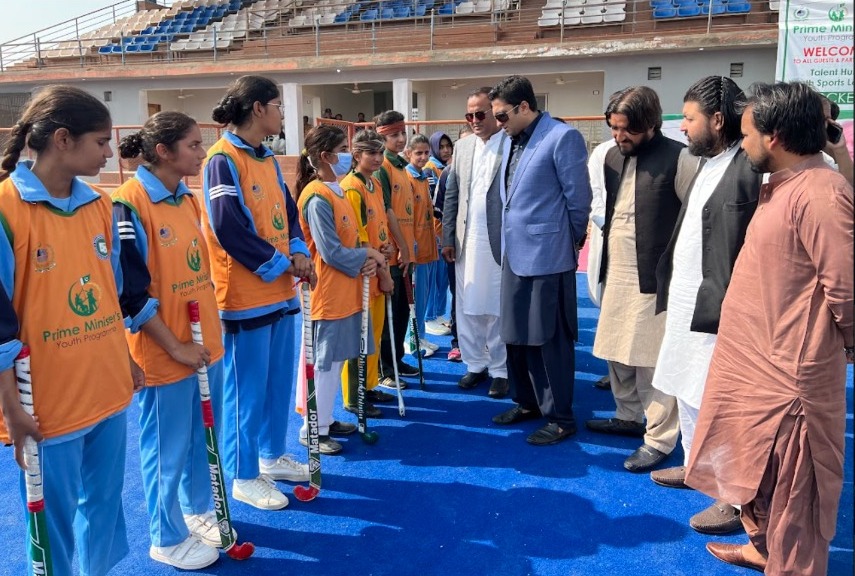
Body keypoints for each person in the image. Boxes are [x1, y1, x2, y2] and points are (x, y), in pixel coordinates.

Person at [686, 81, 853, 575]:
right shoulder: (782, 185)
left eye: (747, 134)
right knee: (756, 475)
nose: (744, 144)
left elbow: (846, 287)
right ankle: (763, 547)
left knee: (797, 493)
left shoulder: (823, 193)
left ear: (775, 135)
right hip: (753, 365)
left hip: (791, 380)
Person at [0, 85, 141, 576]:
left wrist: (124, 359)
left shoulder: (100, 205)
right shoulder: (5, 209)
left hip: (107, 387)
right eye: (101, 141)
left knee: (104, 507)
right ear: (63, 139)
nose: (109, 152)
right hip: (46, 404)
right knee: (51, 523)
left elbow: (110, 290)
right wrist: (11, 408)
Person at [113, 112, 228, 569]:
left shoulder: (187, 198)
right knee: (167, 448)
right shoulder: (129, 203)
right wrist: (175, 346)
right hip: (167, 353)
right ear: (163, 151)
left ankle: (199, 510)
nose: (203, 153)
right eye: (194, 145)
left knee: (203, 436)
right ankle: (164, 535)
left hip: (204, 343)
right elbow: (130, 294)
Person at [648, 77, 762, 536]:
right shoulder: (707, 163)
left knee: (722, 402)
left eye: (689, 118)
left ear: (717, 120)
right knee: (687, 387)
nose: (682, 127)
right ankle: (699, 469)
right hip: (688, 303)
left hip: (722, 307)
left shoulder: (750, 167)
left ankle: (732, 499)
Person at [201, 75, 312, 511]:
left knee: (276, 384)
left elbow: (288, 211)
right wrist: (284, 263)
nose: (283, 113)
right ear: (258, 109)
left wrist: (299, 250)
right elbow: (229, 227)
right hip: (245, 295)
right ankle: (244, 474)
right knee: (245, 393)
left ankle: (270, 454)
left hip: (281, 291)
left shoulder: (265, 157)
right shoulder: (221, 159)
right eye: (278, 105)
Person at [488, 75, 591, 445]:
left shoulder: (562, 137)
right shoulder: (509, 140)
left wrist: (567, 242)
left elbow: (578, 201)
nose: (497, 123)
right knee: (515, 337)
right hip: (514, 256)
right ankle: (526, 402)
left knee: (549, 340)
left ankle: (560, 417)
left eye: (501, 116)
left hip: (548, 257)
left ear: (525, 107)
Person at [586, 86, 684, 471]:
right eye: (613, 128)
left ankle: (659, 438)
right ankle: (627, 416)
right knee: (615, 349)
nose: (619, 137)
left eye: (627, 130)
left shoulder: (680, 159)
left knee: (649, 359)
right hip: (617, 268)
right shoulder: (611, 157)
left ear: (652, 124)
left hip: (654, 275)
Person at [295, 125, 390, 455]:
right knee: (323, 362)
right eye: (343, 149)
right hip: (327, 291)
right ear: (325, 156)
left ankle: (324, 418)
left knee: (334, 360)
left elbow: (352, 240)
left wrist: (365, 256)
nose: (349, 155)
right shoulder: (317, 196)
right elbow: (331, 251)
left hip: (344, 288)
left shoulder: (333, 189)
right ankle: (313, 428)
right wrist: (368, 255)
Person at [442, 87, 509, 398]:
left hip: (499, 242)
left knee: (495, 305)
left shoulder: (511, 143)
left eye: (480, 114)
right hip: (465, 239)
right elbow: (452, 194)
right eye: (469, 115)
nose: (474, 121)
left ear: (495, 113)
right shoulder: (463, 146)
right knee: (467, 306)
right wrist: (447, 238)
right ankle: (475, 364)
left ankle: (500, 369)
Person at [340, 130, 396, 418]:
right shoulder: (352, 187)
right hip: (365, 272)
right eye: (370, 153)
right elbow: (358, 237)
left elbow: (377, 226)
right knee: (359, 337)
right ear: (356, 155)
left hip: (378, 266)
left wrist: (385, 246)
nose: (376, 158)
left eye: (379, 152)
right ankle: (354, 395)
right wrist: (381, 266)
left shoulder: (373, 183)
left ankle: (370, 385)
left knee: (373, 334)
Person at [373, 110, 419, 387]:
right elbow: (387, 209)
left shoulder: (402, 165)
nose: (400, 139)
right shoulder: (382, 168)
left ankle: (397, 358)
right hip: (392, 250)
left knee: (402, 309)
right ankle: (385, 368)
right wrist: (401, 245)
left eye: (402, 133)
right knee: (389, 310)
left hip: (406, 249)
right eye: (393, 135)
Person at [404, 134, 440, 358]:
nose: (423, 157)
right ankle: (412, 340)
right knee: (415, 299)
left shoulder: (422, 177)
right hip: (416, 248)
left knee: (424, 296)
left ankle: (422, 336)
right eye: (418, 153)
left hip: (428, 245)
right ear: (409, 153)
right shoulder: (407, 178)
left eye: (426, 153)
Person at [422, 131, 453, 337]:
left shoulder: (447, 167)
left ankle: (440, 312)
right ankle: (429, 316)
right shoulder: (430, 169)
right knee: (432, 278)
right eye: (440, 147)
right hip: (435, 230)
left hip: (446, 230)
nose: (445, 150)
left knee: (443, 277)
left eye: (447, 146)